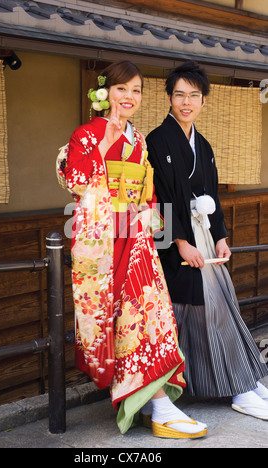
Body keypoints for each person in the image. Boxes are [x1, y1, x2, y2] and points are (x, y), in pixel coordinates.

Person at [57, 60, 207, 438]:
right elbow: (75, 180)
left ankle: (154, 403)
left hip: (135, 239)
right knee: (120, 323)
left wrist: (146, 212)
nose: (130, 97)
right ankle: (151, 404)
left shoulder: (139, 140)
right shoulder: (85, 134)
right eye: (123, 88)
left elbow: (149, 193)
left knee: (149, 317)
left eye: (137, 90)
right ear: (105, 92)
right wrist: (104, 145)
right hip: (103, 245)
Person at [146, 61, 268, 421]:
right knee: (202, 311)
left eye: (194, 96)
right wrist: (179, 242)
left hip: (204, 238)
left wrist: (221, 237)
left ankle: (244, 380)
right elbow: (159, 199)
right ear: (169, 98)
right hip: (176, 243)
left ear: (203, 101)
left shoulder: (205, 144)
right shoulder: (157, 140)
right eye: (180, 95)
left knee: (219, 306)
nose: (186, 102)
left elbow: (211, 194)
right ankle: (238, 387)